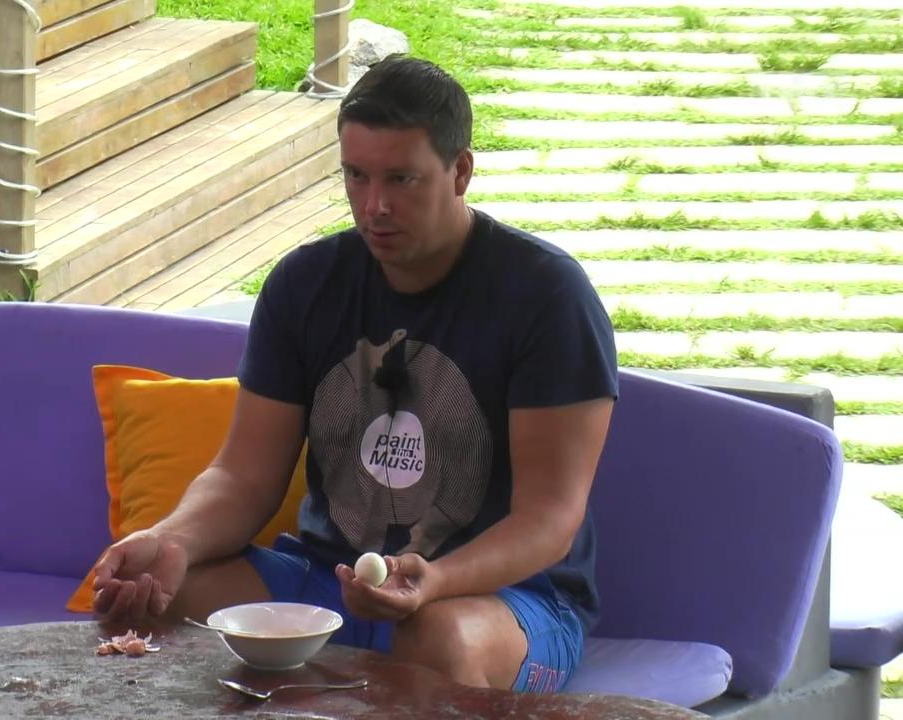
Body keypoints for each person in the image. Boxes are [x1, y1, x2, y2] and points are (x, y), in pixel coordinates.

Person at [92, 55, 618, 693]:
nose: (375, 206)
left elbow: (550, 519)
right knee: (163, 595)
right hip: (331, 578)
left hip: (505, 596)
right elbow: (243, 476)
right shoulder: (304, 284)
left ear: (460, 171)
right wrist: (173, 540)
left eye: (402, 179)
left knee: (434, 639)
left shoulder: (545, 295)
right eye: (356, 176)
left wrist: (434, 581)